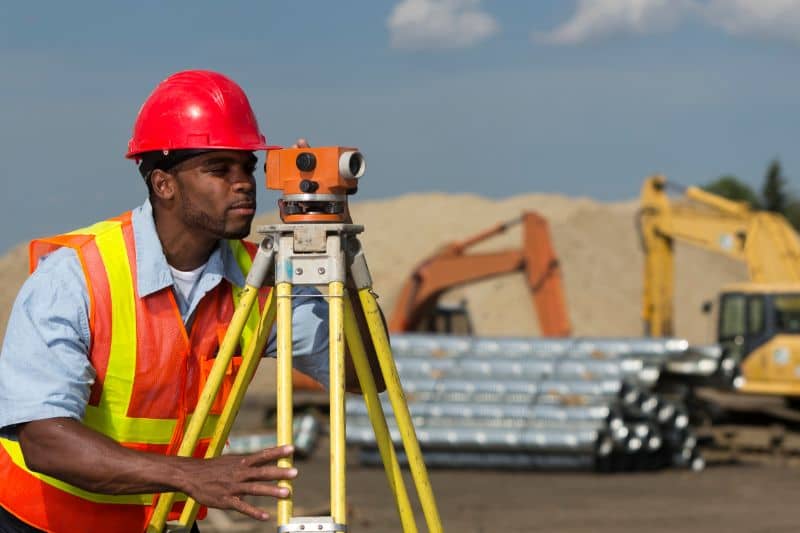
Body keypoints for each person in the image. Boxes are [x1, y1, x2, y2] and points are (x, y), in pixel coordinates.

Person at [0, 70, 384, 533]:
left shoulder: (258, 279)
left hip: (166, 518)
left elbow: (367, 374)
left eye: (247, 167)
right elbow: (43, 440)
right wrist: (187, 474)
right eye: (219, 169)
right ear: (164, 184)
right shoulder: (77, 275)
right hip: (46, 521)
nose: (243, 183)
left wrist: (335, 247)